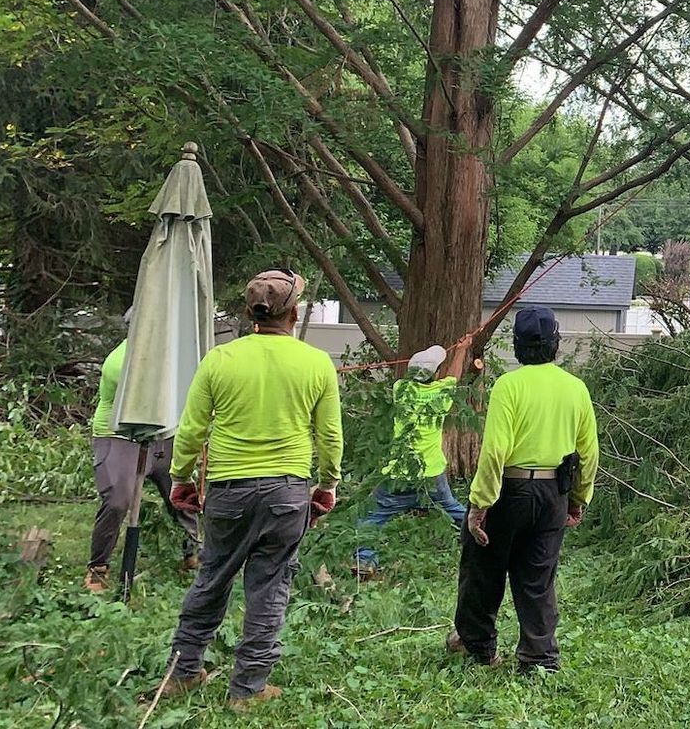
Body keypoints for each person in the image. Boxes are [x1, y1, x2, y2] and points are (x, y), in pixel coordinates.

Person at [158, 269, 342, 712]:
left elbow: (191, 430)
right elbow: (330, 436)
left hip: (227, 491)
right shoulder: (316, 363)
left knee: (212, 577)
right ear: (294, 313)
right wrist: (327, 485)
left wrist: (181, 479)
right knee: (270, 587)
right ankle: (248, 688)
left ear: (248, 312)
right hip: (287, 493)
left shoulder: (219, 359)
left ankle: (182, 673)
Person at [449, 306, 598, 673]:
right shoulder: (575, 388)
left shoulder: (508, 386)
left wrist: (480, 503)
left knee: (483, 569)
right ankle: (539, 659)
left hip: (509, 490)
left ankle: (478, 648)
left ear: (516, 346)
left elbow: (495, 450)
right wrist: (578, 498)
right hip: (554, 493)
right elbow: (589, 452)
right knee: (538, 578)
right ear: (556, 343)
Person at [86, 310, 200, 594]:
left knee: (181, 493)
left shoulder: (169, 356)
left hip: (161, 433)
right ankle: (98, 568)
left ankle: (193, 553)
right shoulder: (120, 363)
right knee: (118, 500)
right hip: (119, 434)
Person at [353, 344, 467, 577]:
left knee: (372, 517)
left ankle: (365, 560)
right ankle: (486, 537)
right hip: (431, 472)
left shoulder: (401, 389)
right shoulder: (442, 393)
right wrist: (462, 349)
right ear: (436, 374)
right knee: (454, 510)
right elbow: (454, 376)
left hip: (399, 472)